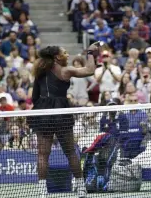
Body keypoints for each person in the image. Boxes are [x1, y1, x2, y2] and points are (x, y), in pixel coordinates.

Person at [28, 43, 99, 198]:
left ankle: (42, 192)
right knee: (71, 152)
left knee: (42, 155)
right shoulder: (65, 71)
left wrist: (41, 108)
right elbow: (90, 70)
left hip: (43, 112)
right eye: (65, 53)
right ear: (57, 57)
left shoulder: (39, 71)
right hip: (61, 112)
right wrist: (91, 52)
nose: (68, 55)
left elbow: (34, 96)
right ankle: (81, 189)